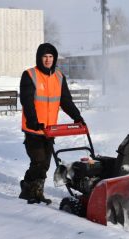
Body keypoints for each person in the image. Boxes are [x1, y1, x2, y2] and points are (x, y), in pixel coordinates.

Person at [19, 43, 85, 204]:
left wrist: (77, 117)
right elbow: (27, 102)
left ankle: (36, 192)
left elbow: (66, 101)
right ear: (39, 58)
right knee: (38, 161)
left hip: (49, 130)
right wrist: (34, 122)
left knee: (45, 164)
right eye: (45, 57)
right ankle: (28, 189)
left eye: (50, 57)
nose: (48, 60)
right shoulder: (29, 75)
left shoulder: (59, 77)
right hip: (33, 129)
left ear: (54, 58)